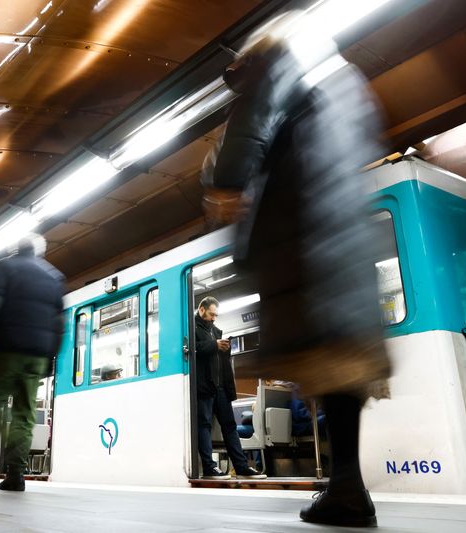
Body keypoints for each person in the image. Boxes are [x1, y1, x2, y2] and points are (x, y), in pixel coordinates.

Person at [201, 12, 391, 527]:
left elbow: (250, 122)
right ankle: (348, 487)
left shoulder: (281, 60)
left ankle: (348, 489)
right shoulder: (345, 82)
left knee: (322, 358)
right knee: (339, 368)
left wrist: (227, 182)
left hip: (303, 235)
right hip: (343, 239)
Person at [0, 233, 65, 492]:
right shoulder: (54, 277)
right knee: (24, 413)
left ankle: (10, 442)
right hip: (37, 355)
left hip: (10, 348)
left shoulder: (5, 267)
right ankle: (16, 473)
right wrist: (51, 357)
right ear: (39, 252)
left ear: (16, 248)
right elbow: (59, 324)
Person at [195, 296, 266, 480]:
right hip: (204, 386)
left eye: (215, 315)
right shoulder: (191, 328)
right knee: (204, 426)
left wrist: (224, 349)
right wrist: (214, 345)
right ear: (201, 310)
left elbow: (217, 357)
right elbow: (193, 350)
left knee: (230, 426)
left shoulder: (216, 331)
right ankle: (209, 468)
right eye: (211, 314)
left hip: (220, 388)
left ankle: (242, 467)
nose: (213, 318)